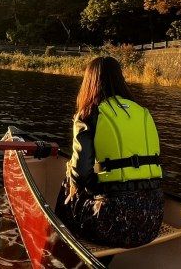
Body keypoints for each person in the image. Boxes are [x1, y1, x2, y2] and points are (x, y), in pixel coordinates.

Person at [55, 56, 164, 248]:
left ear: (89, 81)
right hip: (152, 221)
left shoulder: (88, 115)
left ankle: (57, 245)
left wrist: (77, 182)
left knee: (68, 182)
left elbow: (80, 174)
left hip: (114, 225)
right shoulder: (142, 112)